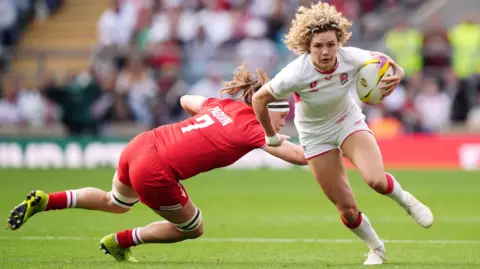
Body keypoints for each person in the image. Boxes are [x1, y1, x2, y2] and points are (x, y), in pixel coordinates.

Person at [7, 65, 307, 262]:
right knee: (193, 228)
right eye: (283, 116)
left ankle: (47, 200)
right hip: (156, 170)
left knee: (116, 202)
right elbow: (300, 156)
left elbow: (186, 99)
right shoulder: (255, 129)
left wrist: (207, 125)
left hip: (141, 144)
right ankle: (121, 241)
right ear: (268, 110)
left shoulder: (224, 105)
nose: (284, 123)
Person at [251, 2, 433, 265]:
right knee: (347, 210)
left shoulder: (352, 57)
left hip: (347, 122)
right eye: (318, 46)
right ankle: (376, 248)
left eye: (330, 45)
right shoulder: (295, 72)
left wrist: (399, 73)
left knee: (376, 181)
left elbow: (384, 61)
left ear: (339, 43)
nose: (325, 52)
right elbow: (259, 98)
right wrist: (270, 135)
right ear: (307, 46)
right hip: (315, 135)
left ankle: (407, 201)